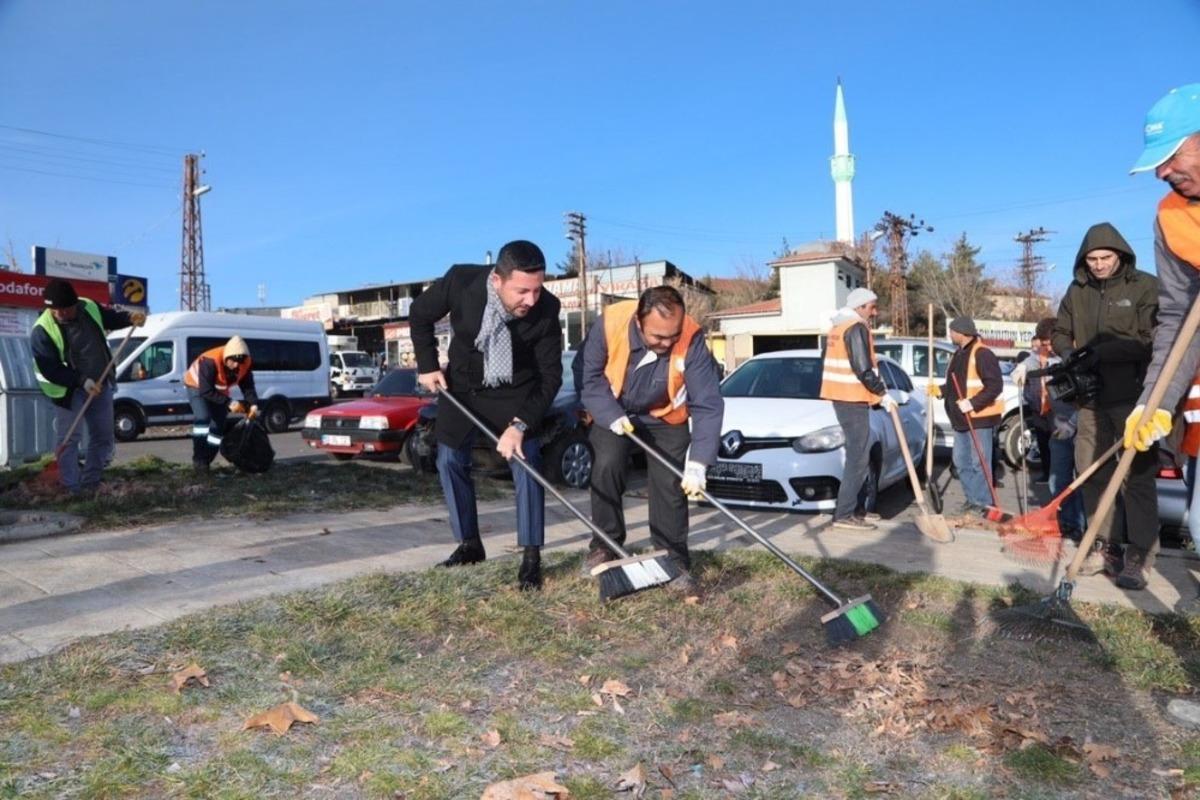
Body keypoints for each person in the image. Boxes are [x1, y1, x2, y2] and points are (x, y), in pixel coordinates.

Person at [409, 240, 562, 591]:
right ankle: (469, 544)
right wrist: (428, 365)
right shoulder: (461, 282)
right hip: (461, 386)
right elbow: (419, 314)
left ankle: (530, 557)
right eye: (522, 291)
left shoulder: (547, 309)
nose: (531, 300)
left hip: (515, 391)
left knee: (526, 461)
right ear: (497, 280)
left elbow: (551, 376)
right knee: (448, 459)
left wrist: (520, 425)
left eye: (537, 289)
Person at [576, 285, 724, 590]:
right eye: (658, 337)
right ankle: (604, 544)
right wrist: (609, 414)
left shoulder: (691, 338)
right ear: (639, 322)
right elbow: (588, 377)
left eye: (673, 335)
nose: (668, 343)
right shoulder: (610, 323)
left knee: (670, 481)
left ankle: (672, 556)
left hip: (666, 416)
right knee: (607, 464)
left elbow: (707, 403)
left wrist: (698, 464)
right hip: (614, 409)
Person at [1051, 223, 1158, 587]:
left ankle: (1140, 555)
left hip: (1133, 397)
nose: (1098, 265)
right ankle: (1106, 547)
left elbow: (1150, 340)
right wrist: (1071, 355)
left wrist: (1101, 352)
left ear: (1120, 255)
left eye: (1105, 258)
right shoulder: (1077, 290)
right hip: (1090, 399)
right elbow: (1059, 331)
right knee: (1090, 470)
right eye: (1092, 259)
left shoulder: (1144, 286)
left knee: (1136, 477)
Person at [1124, 84, 1200, 590]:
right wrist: (1152, 402)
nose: (1162, 172)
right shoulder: (1171, 215)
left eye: (1171, 156)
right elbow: (1177, 316)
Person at [31, 278, 144, 494]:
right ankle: (72, 488)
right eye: (56, 309)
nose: (61, 313)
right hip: (69, 389)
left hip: (101, 382)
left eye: (66, 308)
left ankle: (91, 483)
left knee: (103, 436)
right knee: (69, 439)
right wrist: (82, 381)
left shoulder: (89, 306)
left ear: (75, 303)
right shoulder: (42, 331)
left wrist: (130, 318)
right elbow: (50, 368)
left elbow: (110, 318)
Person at [818, 288, 895, 531]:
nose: (875, 312)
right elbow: (863, 368)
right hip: (851, 398)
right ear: (860, 306)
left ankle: (858, 509)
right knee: (858, 456)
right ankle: (845, 514)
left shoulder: (837, 328)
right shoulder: (855, 327)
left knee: (860, 454)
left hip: (843, 397)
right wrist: (883, 393)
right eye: (872, 307)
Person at [1013, 318, 1086, 539]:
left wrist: (1071, 425)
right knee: (1058, 479)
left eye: (1049, 343)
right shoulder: (1046, 357)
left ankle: (1082, 526)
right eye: (1043, 344)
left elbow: (1087, 402)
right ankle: (1066, 522)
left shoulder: (1077, 356)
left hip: (1080, 429)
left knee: (1083, 480)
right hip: (1059, 429)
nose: (1046, 349)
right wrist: (1023, 366)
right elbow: (1036, 361)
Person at [928, 317, 1003, 515]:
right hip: (960, 420)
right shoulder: (958, 353)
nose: (950, 334)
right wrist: (941, 390)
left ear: (962, 332)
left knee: (980, 463)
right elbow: (956, 384)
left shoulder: (982, 354)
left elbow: (995, 386)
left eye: (952, 331)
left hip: (978, 419)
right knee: (961, 462)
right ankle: (973, 500)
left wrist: (972, 403)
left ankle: (985, 504)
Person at [184, 335, 259, 472]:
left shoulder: (245, 363)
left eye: (240, 362)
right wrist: (229, 403)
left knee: (218, 425)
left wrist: (253, 404)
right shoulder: (210, 361)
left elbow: (248, 387)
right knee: (203, 418)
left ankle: (207, 460)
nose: (236, 365)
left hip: (219, 390)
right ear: (226, 357)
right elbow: (206, 391)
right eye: (233, 361)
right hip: (196, 386)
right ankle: (199, 459)